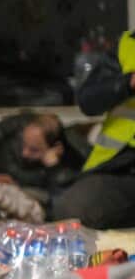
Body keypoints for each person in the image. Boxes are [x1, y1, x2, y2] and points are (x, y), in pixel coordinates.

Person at [52, 31, 135, 228]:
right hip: (120, 169)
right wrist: (128, 83)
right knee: (73, 208)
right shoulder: (128, 44)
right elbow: (88, 100)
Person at [0, 111, 84, 192]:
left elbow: (60, 195)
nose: (24, 153)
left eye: (34, 150)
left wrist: (54, 168)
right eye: (23, 143)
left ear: (56, 148)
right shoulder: (19, 124)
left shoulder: (71, 158)